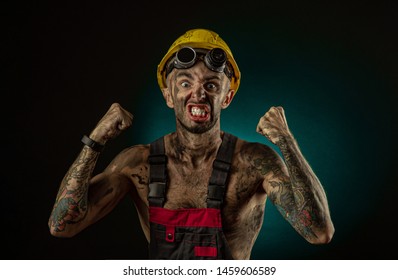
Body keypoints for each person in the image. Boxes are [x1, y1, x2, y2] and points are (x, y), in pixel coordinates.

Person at [48, 28, 334, 260]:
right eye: (185, 83)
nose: (198, 93)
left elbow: (318, 232)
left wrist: (287, 142)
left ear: (226, 97)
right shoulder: (137, 165)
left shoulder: (254, 162)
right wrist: (94, 141)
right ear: (169, 95)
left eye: (211, 84)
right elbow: (63, 226)